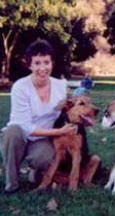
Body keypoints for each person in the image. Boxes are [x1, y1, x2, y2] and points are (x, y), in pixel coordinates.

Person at [0, 39, 77, 193]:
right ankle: (11, 184)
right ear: (29, 65)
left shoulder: (60, 86)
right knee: (12, 132)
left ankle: (35, 172)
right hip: (20, 135)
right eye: (37, 63)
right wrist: (59, 132)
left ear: (52, 63)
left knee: (47, 160)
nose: (42, 68)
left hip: (42, 138)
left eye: (46, 62)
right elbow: (25, 127)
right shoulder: (20, 87)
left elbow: (68, 110)